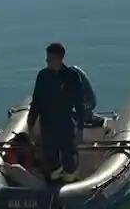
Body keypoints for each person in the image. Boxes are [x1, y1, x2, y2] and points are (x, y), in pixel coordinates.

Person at [27, 43, 87, 183]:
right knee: (51, 160)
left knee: (68, 158)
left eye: (50, 59)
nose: (47, 62)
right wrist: (30, 124)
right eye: (47, 59)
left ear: (60, 58)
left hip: (64, 124)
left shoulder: (71, 77)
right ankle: (52, 185)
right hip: (47, 125)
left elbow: (79, 105)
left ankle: (71, 182)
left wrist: (80, 129)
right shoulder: (42, 76)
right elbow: (36, 102)